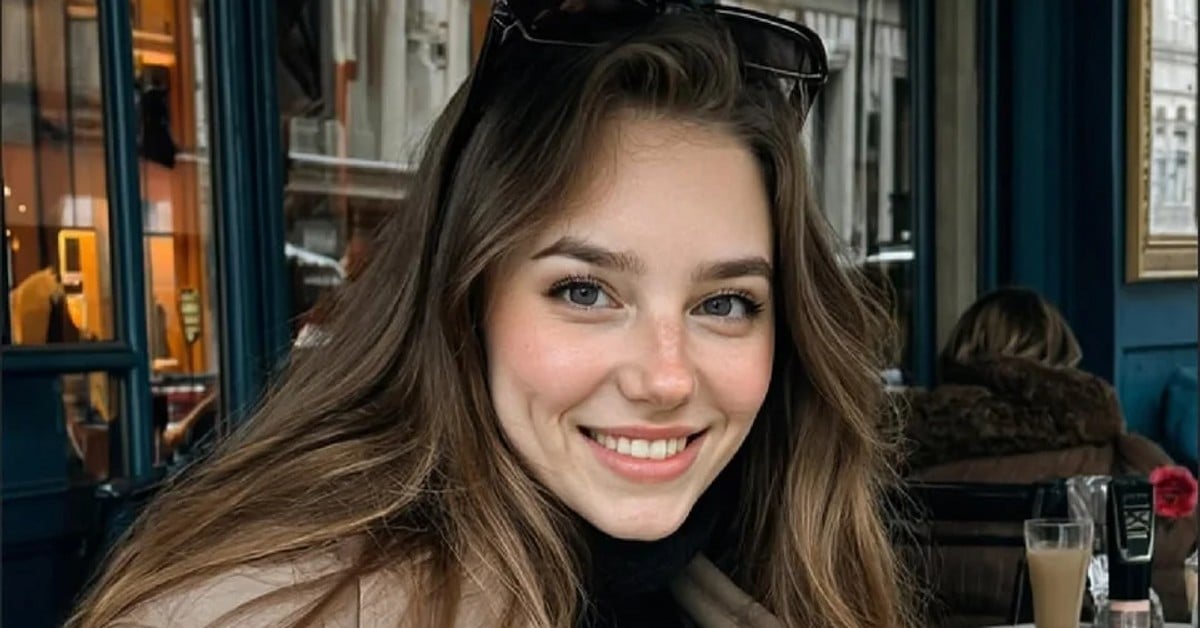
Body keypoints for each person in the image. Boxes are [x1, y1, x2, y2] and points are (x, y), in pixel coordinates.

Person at [70, 3, 916, 626]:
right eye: (584, 292)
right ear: (465, 302)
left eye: (725, 303)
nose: (665, 377)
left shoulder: (771, 562)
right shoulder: (284, 606)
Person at [901, 287, 1197, 624]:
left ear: (957, 356)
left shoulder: (904, 455)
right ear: (1065, 359)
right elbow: (1179, 584)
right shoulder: (1122, 464)